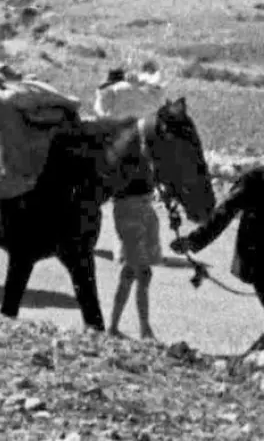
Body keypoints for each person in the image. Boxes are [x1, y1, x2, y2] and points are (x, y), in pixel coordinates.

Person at [94, 66, 166, 340]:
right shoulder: (123, 143)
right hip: (132, 207)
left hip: (140, 206)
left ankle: (118, 326)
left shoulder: (132, 139)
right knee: (140, 272)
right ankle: (141, 329)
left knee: (135, 274)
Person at [172, 167, 264, 353]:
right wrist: (194, 240)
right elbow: (223, 213)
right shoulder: (255, 180)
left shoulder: (255, 178)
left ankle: (247, 363)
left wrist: (193, 241)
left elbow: (224, 212)